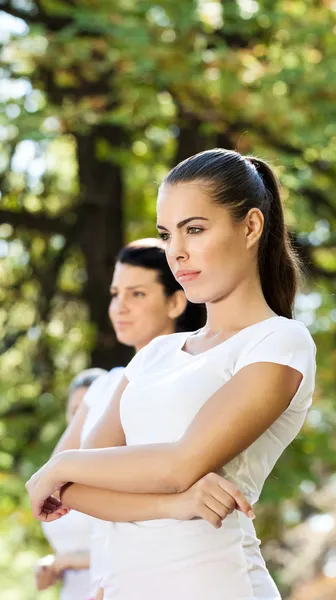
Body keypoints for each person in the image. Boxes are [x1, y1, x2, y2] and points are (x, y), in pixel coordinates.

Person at [27, 149, 317, 600]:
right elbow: (75, 489)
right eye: (166, 235)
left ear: (251, 226)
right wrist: (175, 505)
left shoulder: (280, 342)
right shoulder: (156, 353)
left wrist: (60, 463)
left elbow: (181, 464)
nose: (176, 253)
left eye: (195, 229)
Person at [42, 238, 247, 599]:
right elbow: (57, 482)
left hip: (180, 571)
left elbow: (175, 480)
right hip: (104, 580)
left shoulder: (196, 382)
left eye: (136, 294)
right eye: (115, 293)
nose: (119, 307)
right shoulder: (102, 387)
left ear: (175, 301)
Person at [36, 368, 106, 599]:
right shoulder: (55, 469)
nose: (80, 419)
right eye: (75, 411)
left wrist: (70, 561)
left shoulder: (113, 468)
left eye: (87, 411)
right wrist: (51, 567)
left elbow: (137, 547)